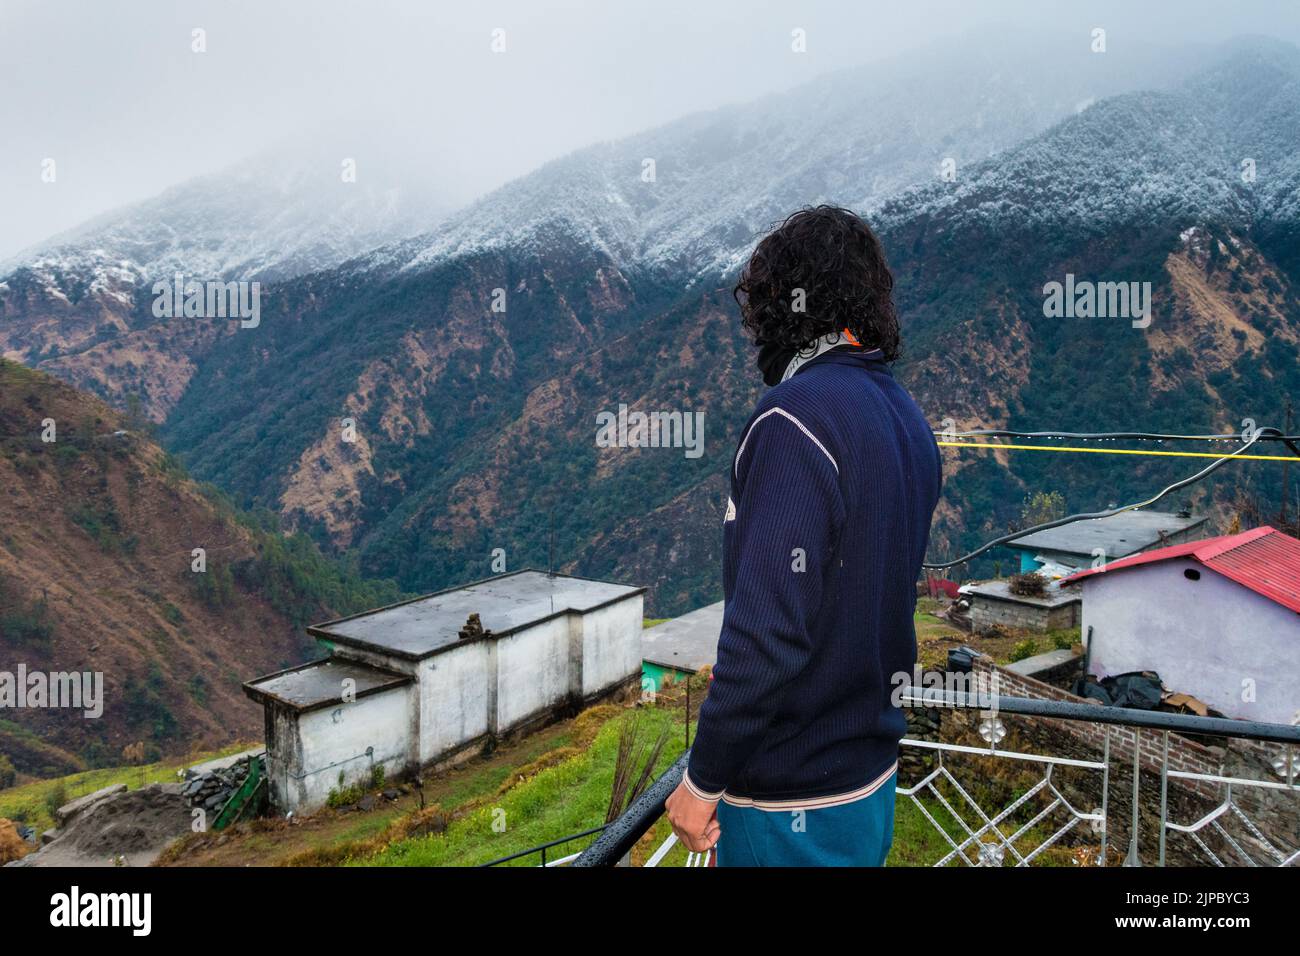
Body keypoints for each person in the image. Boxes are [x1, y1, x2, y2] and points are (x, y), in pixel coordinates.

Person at [664, 205, 941, 866]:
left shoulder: (791, 421)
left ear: (783, 307)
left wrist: (702, 782)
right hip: (868, 781)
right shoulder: (907, 419)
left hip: (790, 801)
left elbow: (768, 632)